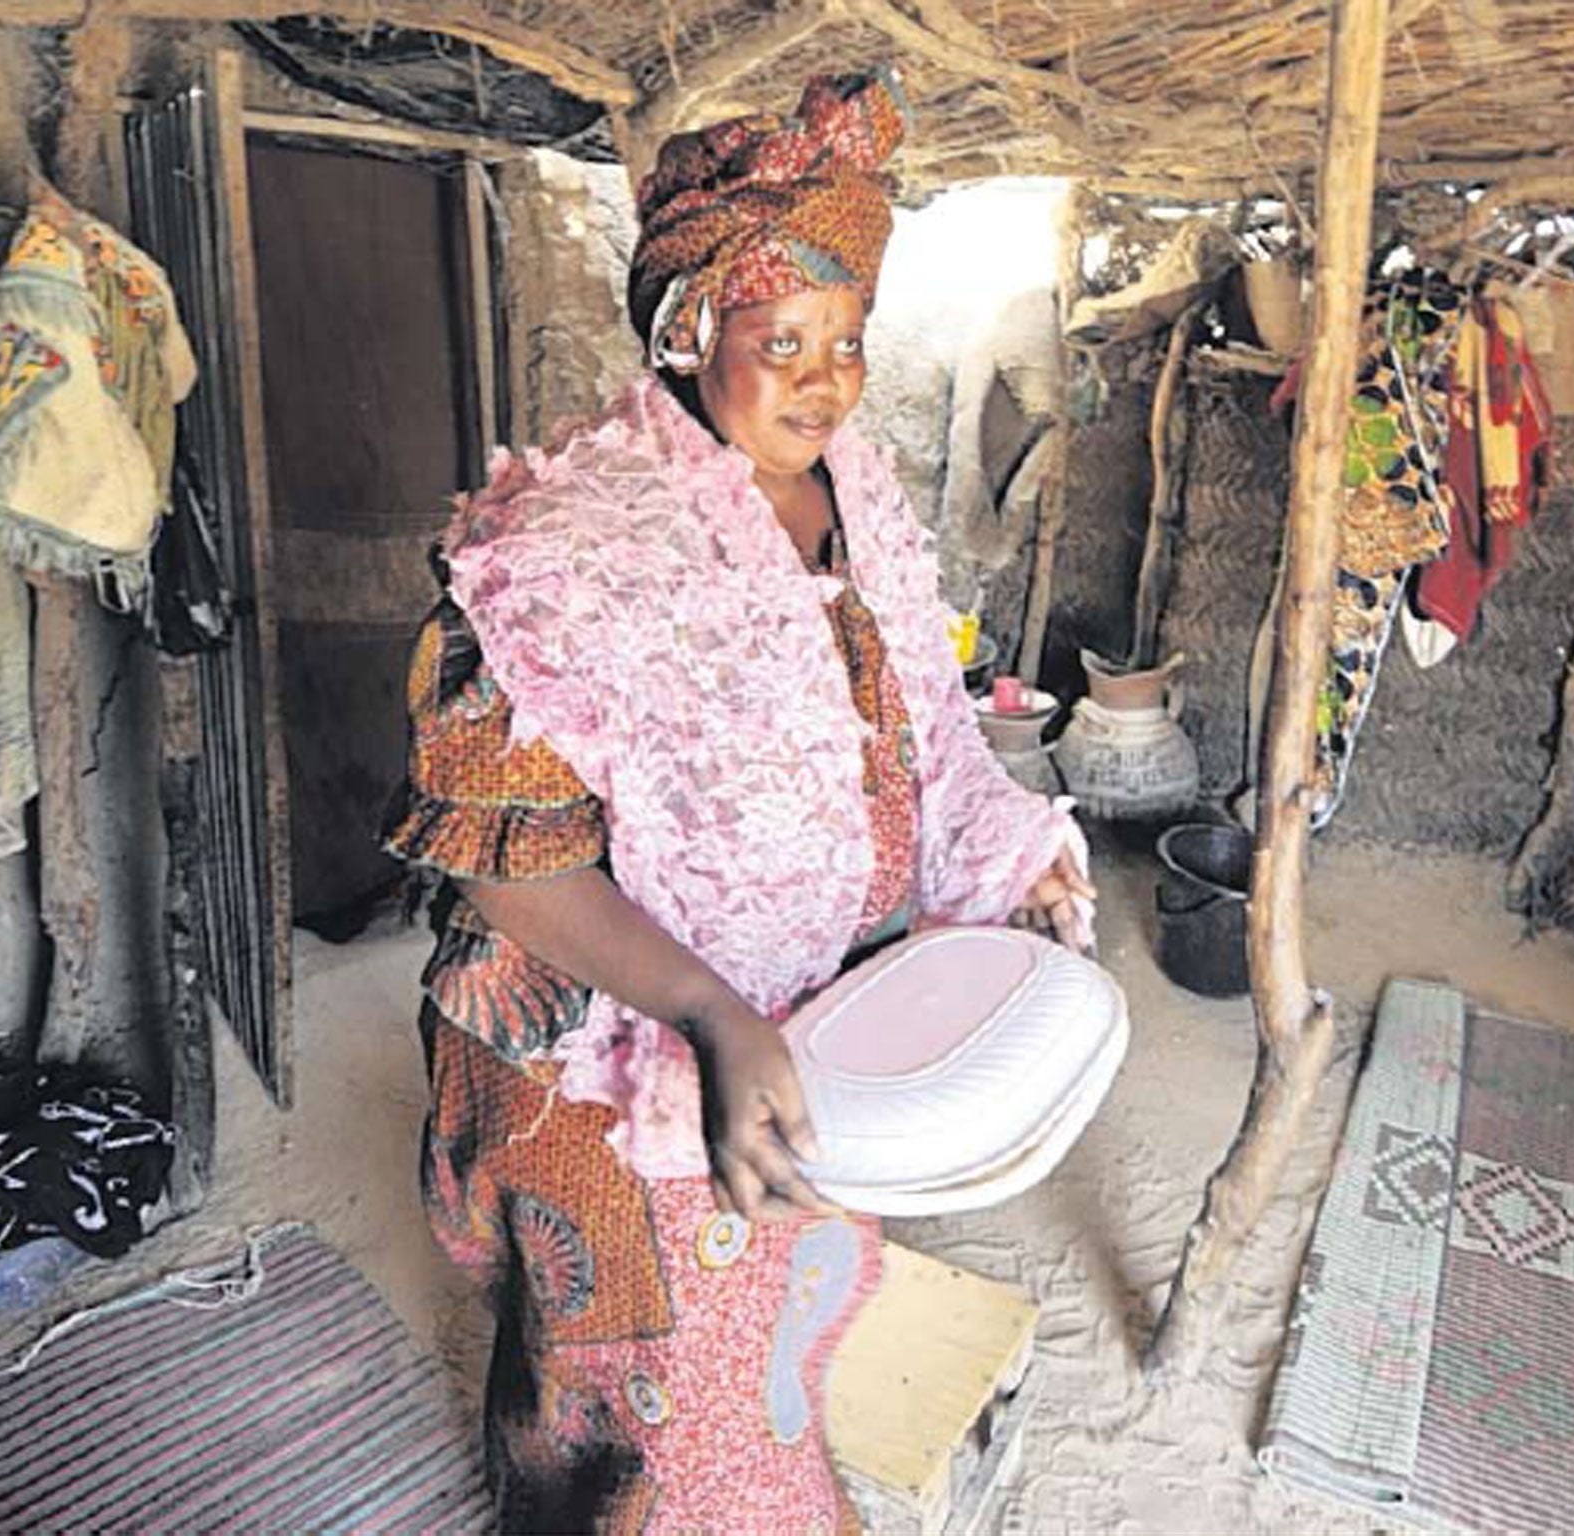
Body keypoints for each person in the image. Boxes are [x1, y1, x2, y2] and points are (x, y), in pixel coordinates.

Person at [381, 69, 1094, 1534]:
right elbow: (506, 868)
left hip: (814, 1015)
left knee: (786, 1333)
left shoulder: (857, 497)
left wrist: (1005, 858)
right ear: (691, 326)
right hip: (620, 1061)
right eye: (784, 340)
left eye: (848, 340)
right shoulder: (566, 546)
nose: (828, 380)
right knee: (650, 1413)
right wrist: (713, 1010)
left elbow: (922, 740)